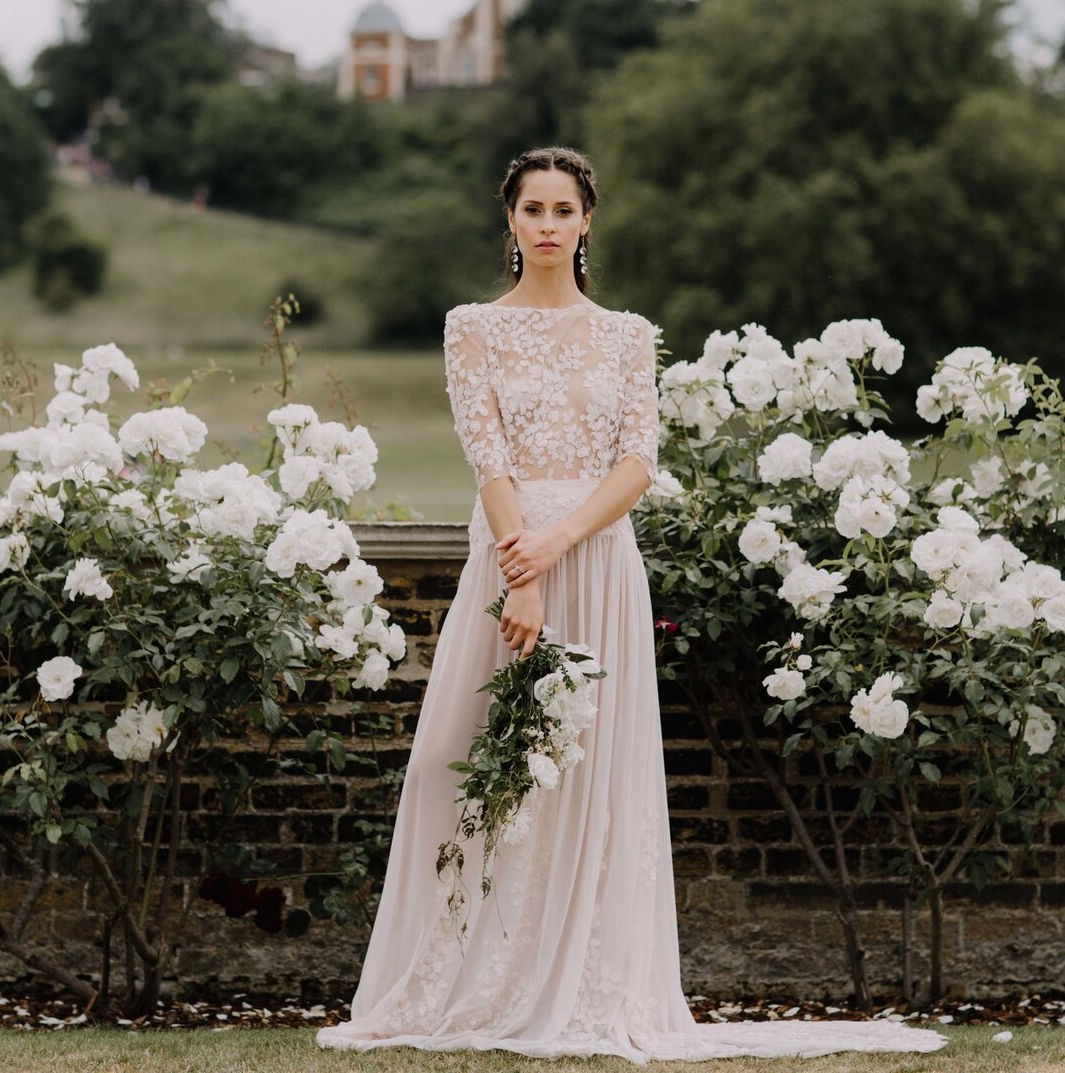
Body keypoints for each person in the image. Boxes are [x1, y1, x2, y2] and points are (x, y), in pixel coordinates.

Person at [316, 147, 945, 1063]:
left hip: (597, 561)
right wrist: (520, 572)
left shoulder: (625, 334)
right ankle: (477, 973)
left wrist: (561, 543)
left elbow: (638, 461)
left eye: (561, 209)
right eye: (531, 209)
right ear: (510, 221)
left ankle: (582, 979)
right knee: (465, 763)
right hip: (508, 555)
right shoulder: (472, 328)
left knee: (587, 771)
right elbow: (487, 456)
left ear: (586, 222)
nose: (545, 225)